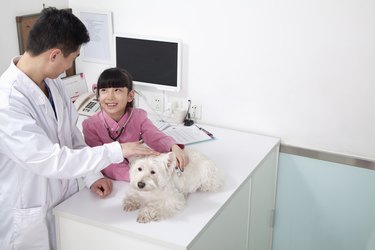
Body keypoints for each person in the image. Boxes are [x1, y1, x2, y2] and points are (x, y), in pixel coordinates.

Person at [0, 8, 158, 250]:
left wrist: (92, 175)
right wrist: (117, 150)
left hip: (63, 202)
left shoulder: (54, 83)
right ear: (54, 55)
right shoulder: (8, 101)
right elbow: (49, 160)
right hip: (28, 214)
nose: (69, 66)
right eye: (71, 58)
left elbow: (71, 137)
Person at [82, 67, 188, 181]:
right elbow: (102, 162)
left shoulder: (138, 116)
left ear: (130, 96)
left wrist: (173, 147)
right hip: (118, 179)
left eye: (117, 90)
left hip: (139, 172)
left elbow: (155, 137)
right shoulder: (90, 125)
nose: (110, 97)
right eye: (104, 90)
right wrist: (135, 176)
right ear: (98, 95)